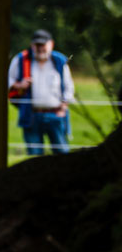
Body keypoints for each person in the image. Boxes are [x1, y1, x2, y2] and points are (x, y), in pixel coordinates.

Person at [8, 28, 75, 156]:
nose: (40, 48)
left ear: (51, 44)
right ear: (32, 45)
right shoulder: (21, 60)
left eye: (43, 45)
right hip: (31, 115)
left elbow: (68, 87)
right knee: (34, 155)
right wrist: (20, 85)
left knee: (62, 154)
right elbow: (8, 83)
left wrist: (63, 108)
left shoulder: (59, 61)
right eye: (37, 45)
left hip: (56, 115)